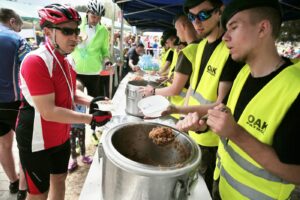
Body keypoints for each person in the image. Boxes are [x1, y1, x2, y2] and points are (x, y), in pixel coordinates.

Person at [179, 0, 300, 199]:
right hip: (221, 187)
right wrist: (203, 126)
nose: (225, 37)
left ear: (263, 28)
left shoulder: (295, 88)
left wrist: (235, 133)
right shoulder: (243, 74)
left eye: (234, 27)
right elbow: (230, 122)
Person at [16, 4, 111, 199]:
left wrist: (95, 101)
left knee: (59, 180)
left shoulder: (67, 60)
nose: (75, 37)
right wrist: (90, 118)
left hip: (60, 134)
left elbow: (71, 92)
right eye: (67, 31)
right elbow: (48, 111)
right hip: (36, 139)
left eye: (76, 31)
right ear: (48, 32)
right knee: (38, 194)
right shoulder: (36, 60)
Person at [168, 0, 243, 194]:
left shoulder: (230, 52)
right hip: (191, 128)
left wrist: (177, 109)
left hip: (211, 139)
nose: (197, 22)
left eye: (203, 15)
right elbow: (193, 87)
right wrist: (183, 118)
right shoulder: (201, 46)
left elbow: (221, 103)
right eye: (192, 17)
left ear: (220, 12)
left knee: (202, 191)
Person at [141, 14, 200, 119]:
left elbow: (175, 89)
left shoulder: (187, 51)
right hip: (191, 111)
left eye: (177, 30)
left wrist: (153, 91)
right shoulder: (201, 47)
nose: (177, 34)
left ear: (183, 26)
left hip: (180, 109)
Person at [0, 8, 31, 200]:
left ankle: (12, 181)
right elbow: (30, 68)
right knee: (24, 146)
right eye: (18, 27)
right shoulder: (17, 40)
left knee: (3, 144)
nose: (19, 31)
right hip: (14, 102)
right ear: (12, 21)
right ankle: (22, 189)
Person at [71, 0, 112, 97]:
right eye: (93, 16)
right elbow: (67, 44)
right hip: (76, 70)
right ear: (87, 13)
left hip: (94, 71)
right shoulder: (76, 26)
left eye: (98, 18)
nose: (95, 20)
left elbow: (104, 50)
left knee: (94, 102)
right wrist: (75, 41)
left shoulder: (104, 31)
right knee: (76, 99)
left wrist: (107, 62)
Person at [68, 80, 93, 172]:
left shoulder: (84, 101)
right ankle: (73, 160)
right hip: (71, 126)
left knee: (82, 143)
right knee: (72, 144)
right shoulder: (69, 100)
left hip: (81, 126)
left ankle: (83, 156)